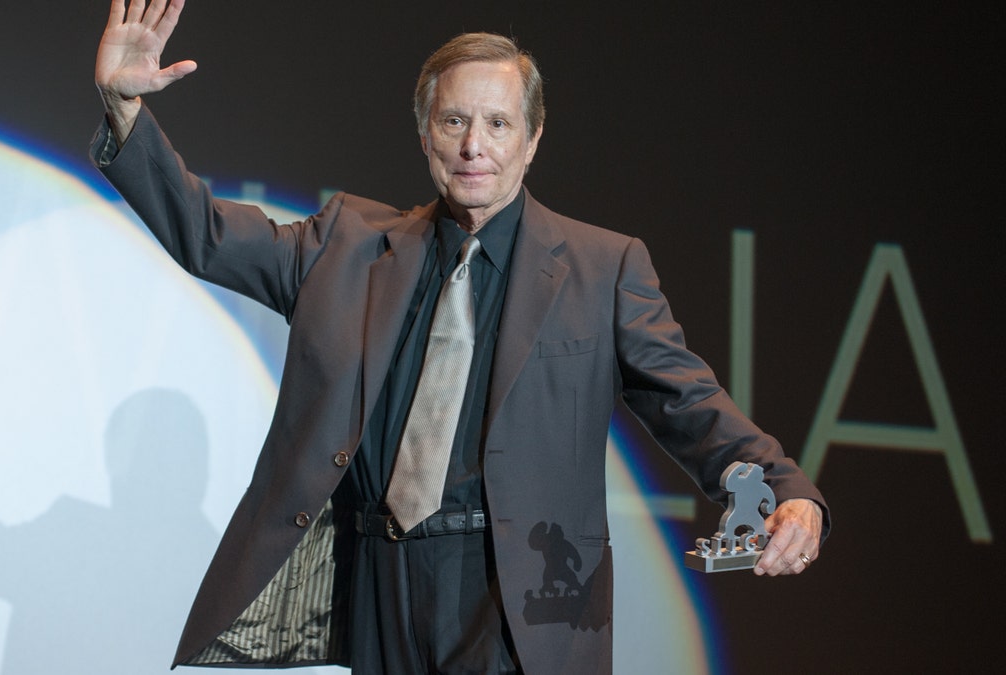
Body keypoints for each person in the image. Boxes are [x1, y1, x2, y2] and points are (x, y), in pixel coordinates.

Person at [90, 1, 828, 673]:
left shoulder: (602, 268)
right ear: (424, 132)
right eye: (454, 122)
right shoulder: (346, 243)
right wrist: (125, 113)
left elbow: (689, 402)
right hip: (384, 577)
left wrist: (783, 488)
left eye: (499, 124)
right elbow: (208, 236)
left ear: (533, 139)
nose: (475, 145)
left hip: (517, 595)